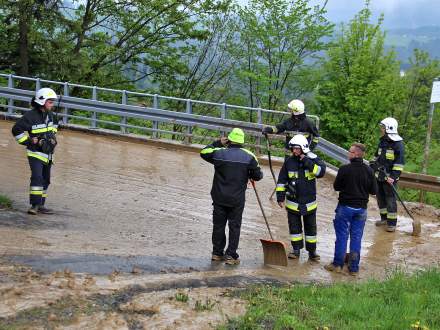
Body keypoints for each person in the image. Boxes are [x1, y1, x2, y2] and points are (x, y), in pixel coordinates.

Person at [200, 128, 263, 265]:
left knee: (218, 225)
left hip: (219, 197)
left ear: (229, 139)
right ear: (242, 141)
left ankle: (217, 253)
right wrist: (250, 174)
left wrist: (218, 143)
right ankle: (231, 255)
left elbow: (204, 152)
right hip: (237, 199)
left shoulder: (219, 153)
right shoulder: (249, 156)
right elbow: (258, 176)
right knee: (234, 226)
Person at [325, 143, 377, 276]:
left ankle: (337, 265)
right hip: (361, 210)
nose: (348, 153)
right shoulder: (369, 171)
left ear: (356, 154)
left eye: (350, 151)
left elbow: (336, 187)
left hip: (345, 207)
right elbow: (374, 191)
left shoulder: (344, 169)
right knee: (356, 238)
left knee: (342, 237)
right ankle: (354, 268)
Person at [276, 134, 326, 261]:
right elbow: (282, 180)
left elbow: (320, 172)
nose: (294, 151)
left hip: (309, 203)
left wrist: (306, 161)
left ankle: (312, 252)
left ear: (303, 148)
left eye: (297, 148)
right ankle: (296, 250)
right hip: (293, 202)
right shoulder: (289, 162)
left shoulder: (313, 159)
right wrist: (280, 197)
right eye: (293, 148)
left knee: (311, 229)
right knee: (294, 228)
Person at [11, 88, 59, 215]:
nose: (52, 104)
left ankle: (41, 204)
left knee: (46, 179)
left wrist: (53, 140)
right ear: (42, 101)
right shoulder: (30, 116)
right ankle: (34, 205)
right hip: (35, 153)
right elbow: (16, 130)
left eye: (53, 102)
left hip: (48, 155)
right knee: (37, 178)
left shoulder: (52, 116)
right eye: (50, 102)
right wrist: (29, 141)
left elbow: (54, 130)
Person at [370, 117, 405, 232]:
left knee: (390, 200)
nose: (381, 129)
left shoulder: (398, 144)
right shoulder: (383, 141)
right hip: (379, 175)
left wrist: (393, 177)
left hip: (389, 178)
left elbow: (399, 164)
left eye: (383, 127)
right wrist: (373, 164)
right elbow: (376, 156)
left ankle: (392, 224)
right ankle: (384, 219)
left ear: (389, 128)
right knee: (380, 198)